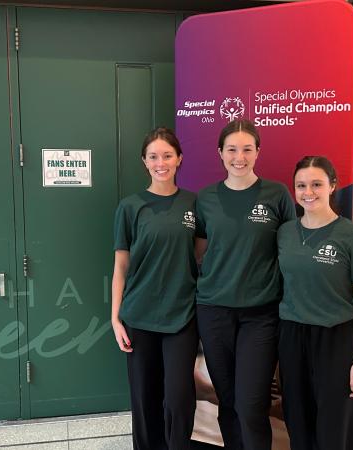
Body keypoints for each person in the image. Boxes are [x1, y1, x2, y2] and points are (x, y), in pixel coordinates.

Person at [194, 119, 296, 450]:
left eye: (247, 149)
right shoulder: (206, 198)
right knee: (227, 400)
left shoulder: (277, 194)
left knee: (251, 404)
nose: (240, 157)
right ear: (220, 153)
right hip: (214, 311)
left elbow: (295, 246)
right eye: (232, 149)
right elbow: (198, 253)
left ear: (257, 152)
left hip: (261, 314)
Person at [276, 156, 353, 450]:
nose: (309, 192)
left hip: (337, 339)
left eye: (317, 184)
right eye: (301, 185)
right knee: (298, 421)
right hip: (293, 336)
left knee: (335, 425)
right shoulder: (285, 233)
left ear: (332, 186)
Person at [111, 127, 199, 450]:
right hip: (139, 315)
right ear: (144, 162)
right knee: (145, 399)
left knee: (178, 397)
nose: (160, 162)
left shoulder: (194, 203)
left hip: (182, 316)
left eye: (167, 155)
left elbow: (200, 256)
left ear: (179, 159)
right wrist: (115, 319)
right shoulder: (130, 207)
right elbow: (121, 266)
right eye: (153, 157)